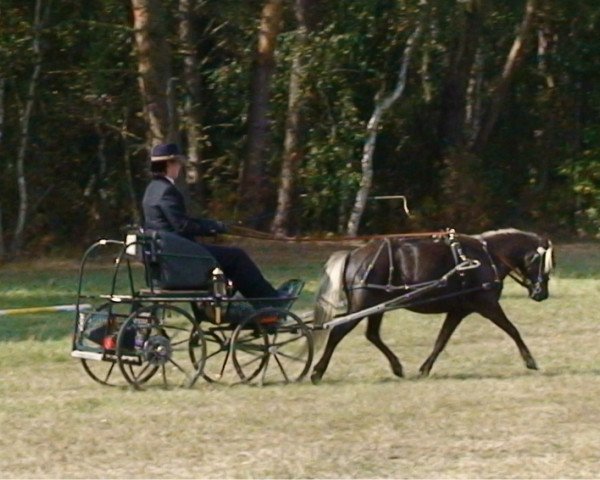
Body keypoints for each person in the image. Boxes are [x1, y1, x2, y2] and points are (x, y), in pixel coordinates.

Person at [142, 143, 281, 301]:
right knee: (237, 257)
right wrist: (213, 228)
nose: (180, 167)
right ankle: (269, 300)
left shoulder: (152, 189)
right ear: (169, 164)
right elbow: (182, 226)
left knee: (230, 257)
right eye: (178, 162)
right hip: (180, 255)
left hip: (168, 253)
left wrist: (215, 225)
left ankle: (251, 302)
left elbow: (181, 221)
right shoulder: (167, 190)